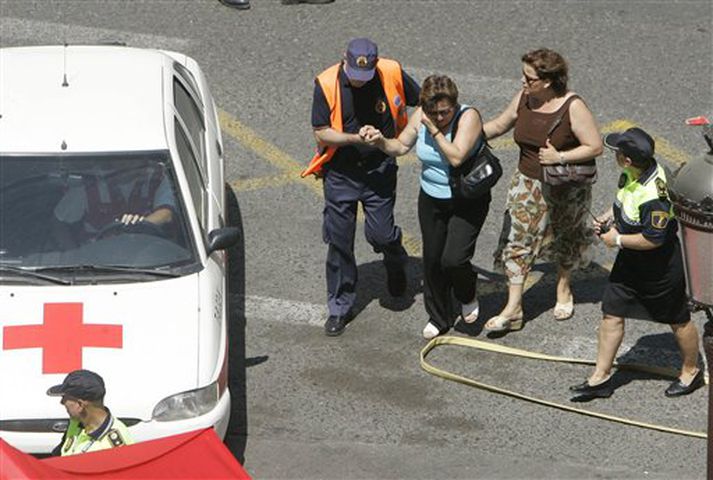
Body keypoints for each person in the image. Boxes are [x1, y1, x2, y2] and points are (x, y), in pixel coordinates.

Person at [569, 128, 704, 399]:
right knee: (611, 313)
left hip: (660, 270)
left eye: (618, 151)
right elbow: (624, 199)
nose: (615, 154)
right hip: (630, 264)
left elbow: (654, 239)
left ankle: (691, 371)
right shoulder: (636, 171)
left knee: (678, 321)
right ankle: (601, 377)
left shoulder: (655, 194)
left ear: (627, 159)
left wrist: (616, 240)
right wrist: (609, 217)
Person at [305, 37, 420, 336]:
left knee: (381, 233)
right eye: (355, 77)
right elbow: (322, 132)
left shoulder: (391, 71)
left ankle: (395, 259)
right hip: (341, 173)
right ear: (343, 58)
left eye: (365, 77)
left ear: (375, 65)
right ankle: (340, 306)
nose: (359, 83)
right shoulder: (327, 82)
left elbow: (421, 102)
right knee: (339, 241)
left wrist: (398, 139)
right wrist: (357, 138)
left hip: (379, 169)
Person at [482, 48, 603, 332]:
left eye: (530, 78)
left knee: (566, 237)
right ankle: (514, 308)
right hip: (527, 183)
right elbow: (499, 124)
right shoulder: (525, 97)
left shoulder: (572, 105)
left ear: (547, 81)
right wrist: (463, 131)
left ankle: (563, 287)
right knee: (516, 240)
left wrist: (559, 157)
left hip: (564, 185)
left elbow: (594, 146)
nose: (523, 83)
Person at [363, 75, 490, 339]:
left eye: (445, 112)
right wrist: (379, 142)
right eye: (434, 112)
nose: (440, 117)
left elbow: (456, 157)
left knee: (454, 259)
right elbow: (400, 146)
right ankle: (439, 316)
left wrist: (433, 129)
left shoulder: (468, 117)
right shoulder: (422, 114)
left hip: (466, 200)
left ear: (454, 104)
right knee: (432, 261)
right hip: (432, 198)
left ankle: (467, 294)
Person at [47, 369, 134, 456]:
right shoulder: (76, 422)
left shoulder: (116, 445)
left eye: (64, 397)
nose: (62, 402)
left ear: (80, 405)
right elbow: (57, 457)